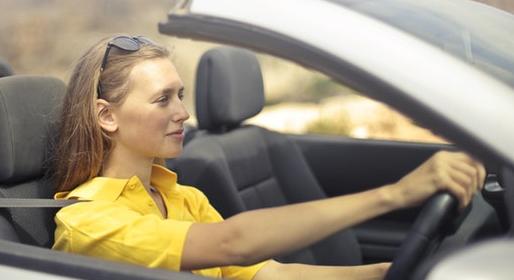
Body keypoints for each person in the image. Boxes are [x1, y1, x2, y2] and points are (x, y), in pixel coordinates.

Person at [51, 35, 486, 280]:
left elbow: (266, 274)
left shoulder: (183, 198)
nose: (183, 112)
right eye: (162, 99)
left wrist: (384, 273)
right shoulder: (88, 221)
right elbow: (233, 243)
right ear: (107, 116)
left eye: (180, 95)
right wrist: (396, 194)